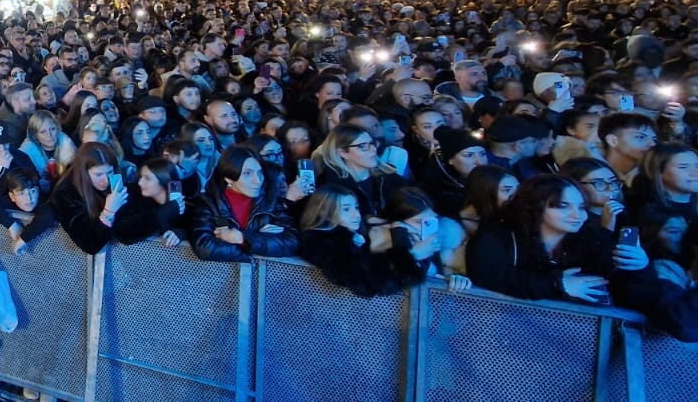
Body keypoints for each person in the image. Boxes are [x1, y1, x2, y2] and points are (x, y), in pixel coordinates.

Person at [466, 174, 659, 308]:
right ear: (535, 207)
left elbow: (619, 283)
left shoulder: (590, 236)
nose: (577, 215)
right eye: (563, 206)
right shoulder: (498, 235)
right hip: (503, 329)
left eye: (582, 207)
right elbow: (489, 276)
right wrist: (559, 284)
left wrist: (640, 266)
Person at [298, 185, 440, 297]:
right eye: (346, 209)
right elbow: (365, 282)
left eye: (356, 207)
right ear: (325, 213)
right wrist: (412, 255)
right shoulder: (322, 242)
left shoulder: (359, 235)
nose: (356, 214)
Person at [188, 145, 299, 262]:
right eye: (247, 174)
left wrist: (243, 238)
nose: (257, 181)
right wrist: (257, 244)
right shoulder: (209, 204)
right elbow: (206, 247)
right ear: (229, 178)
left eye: (260, 173)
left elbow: (292, 241)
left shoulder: (271, 200)